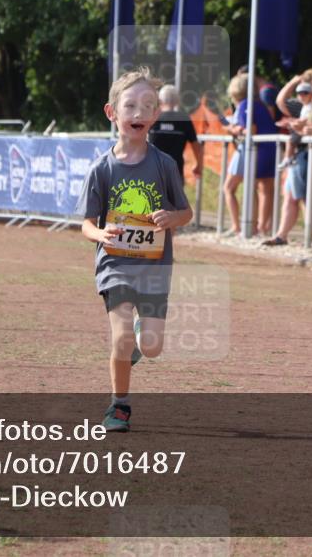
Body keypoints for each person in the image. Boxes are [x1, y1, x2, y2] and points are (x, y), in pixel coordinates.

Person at [78, 67, 193, 431]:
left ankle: (138, 345)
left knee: (152, 345)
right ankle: (119, 406)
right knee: (122, 335)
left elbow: (186, 212)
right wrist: (101, 235)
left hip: (156, 267)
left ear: (156, 114)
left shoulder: (164, 164)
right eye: (130, 106)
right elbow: (85, 224)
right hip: (115, 265)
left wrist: (171, 219)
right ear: (112, 113)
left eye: (147, 106)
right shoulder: (102, 169)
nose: (138, 113)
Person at [264, 76, 312, 246]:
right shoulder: (303, 107)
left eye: (306, 91)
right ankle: (283, 235)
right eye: (300, 93)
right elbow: (281, 101)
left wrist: (297, 124)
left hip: (309, 155)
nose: (302, 95)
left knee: (304, 197)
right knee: (291, 196)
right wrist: (294, 81)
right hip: (300, 154)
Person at [223, 73, 277, 236]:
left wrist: (233, 130)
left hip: (259, 149)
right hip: (270, 147)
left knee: (253, 187)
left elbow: (250, 129)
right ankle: (262, 227)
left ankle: (248, 226)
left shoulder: (245, 104)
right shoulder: (259, 104)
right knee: (265, 188)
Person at [149, 84, 203, 184]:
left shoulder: (153, 117)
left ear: (160, 101)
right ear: (177, 101)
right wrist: (198, 165)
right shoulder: (183, 119)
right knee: (175, 199)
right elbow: (196, 145)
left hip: (153, 171)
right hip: (176, 172)